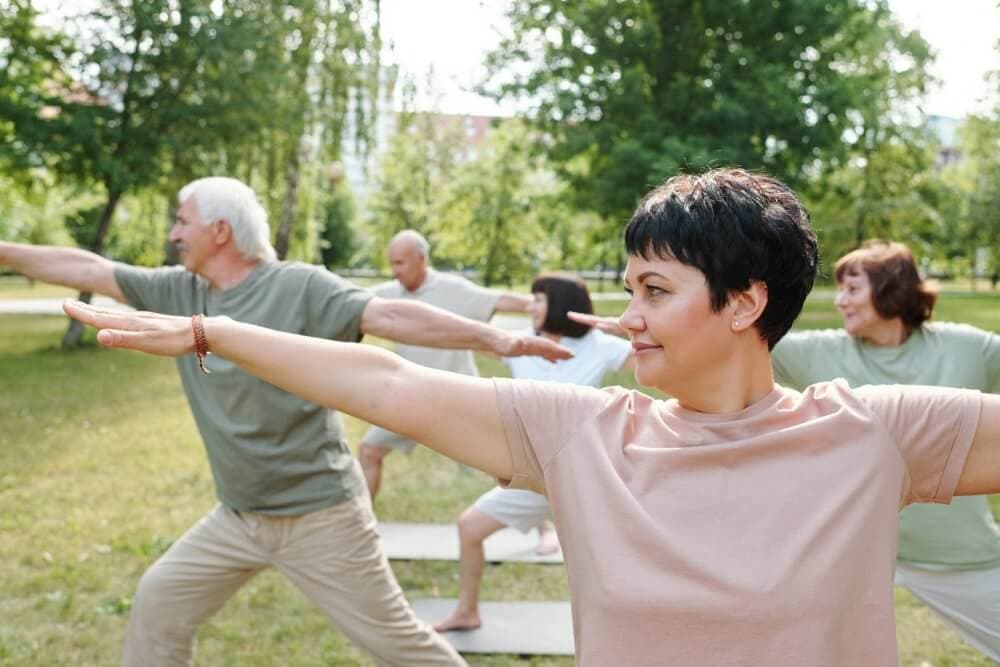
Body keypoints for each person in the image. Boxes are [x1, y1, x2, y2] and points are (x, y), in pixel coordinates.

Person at [61, 168, 1000, 667]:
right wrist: (206, 330)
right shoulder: (586, 436)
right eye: (626, 286)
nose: (626, 314)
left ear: (746, 304)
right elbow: (385, 386)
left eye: (654, 290)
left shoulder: (879, 431)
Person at [0, 176, 571, 667]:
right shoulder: (180, 289)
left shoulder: (300, 286)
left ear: (219, 230)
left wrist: (492, 335)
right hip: (238, 516)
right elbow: (89, 267)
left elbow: (391, 313)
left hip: (320, 516)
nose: (174, 233)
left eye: (183, 221)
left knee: (400, 646)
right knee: (158, 602)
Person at [770, 240, 1000, 661]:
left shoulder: (967, 348)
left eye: (852, 289)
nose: (841, 301)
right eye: (840, 290)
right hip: (852, 553)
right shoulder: (821, 351)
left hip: (952, 554)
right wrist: (625, 325)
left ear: (891, 290)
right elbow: (722, 337)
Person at [432, 272, 634, 633]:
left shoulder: (598, 344)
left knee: (606, 562)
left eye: (539, 299)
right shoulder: (521, 342)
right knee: (470, 527)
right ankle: (467, 612)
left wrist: (629, 329)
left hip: (582, 470)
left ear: (560, 304)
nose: (531, 306)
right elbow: (464, 338)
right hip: (534, 472)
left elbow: (663, 363)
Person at [358, 229, 531, 499]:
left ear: (421, 259)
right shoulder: (390, 294)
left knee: (502, 466)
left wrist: (549, 305)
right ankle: (362, 529)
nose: (394, 271)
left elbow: (500, 300)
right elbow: (346, 298)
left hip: (459, 399)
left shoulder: (453, 289)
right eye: (391, 263)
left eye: (400, 263)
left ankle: (541, 523)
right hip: (410, 396)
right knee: (369, 450)